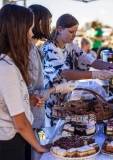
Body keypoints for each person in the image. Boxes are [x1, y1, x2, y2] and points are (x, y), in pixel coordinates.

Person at [0, 4, 51, 160]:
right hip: (7, 145)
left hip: (3, 142)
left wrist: (26, 99)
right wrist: (39, 147)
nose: (31, 34)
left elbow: (1, 100)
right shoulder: (5, 68)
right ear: (18, 32)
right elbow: (20, 121)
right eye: (30, 29)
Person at [41, 14, 113, 135]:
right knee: (50, 137)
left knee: (66, 135)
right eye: (71, 31)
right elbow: (65, 73)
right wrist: (96, 75)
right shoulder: (49, 48)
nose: (74, 35)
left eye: (76, 32)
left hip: (65, 103)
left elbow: (91, 61)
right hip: (49, 104)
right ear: (59, 29)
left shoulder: (71, 46)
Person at [27, 4, 76, 160]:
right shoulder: (35, 50)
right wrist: (57, 89)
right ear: (40, 23)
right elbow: (27, 94)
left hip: (37, 116)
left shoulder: (34, 49)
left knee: (43, 138)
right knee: (42, 142)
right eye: (49, 22)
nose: (50, 27)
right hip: (36, 114)